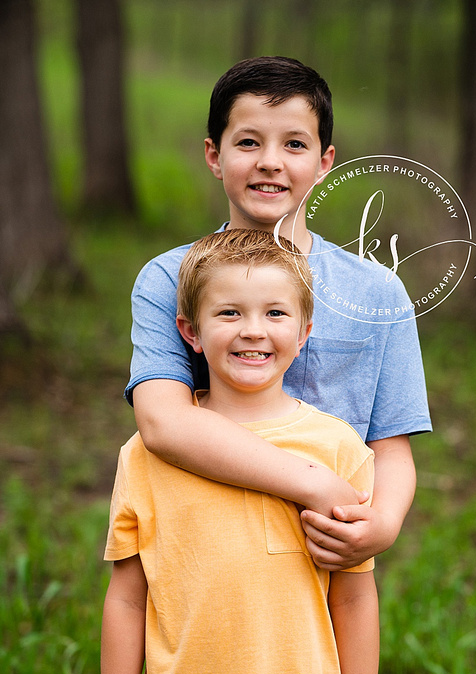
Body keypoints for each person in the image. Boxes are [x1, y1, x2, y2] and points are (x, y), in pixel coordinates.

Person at [101, 229, 378, 674]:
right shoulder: (144, 457)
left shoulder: (337, 450)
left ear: (303, 335)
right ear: (190, 332)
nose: (254, 329)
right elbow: (126, 601)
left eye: (275, 313)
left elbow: (353, 600)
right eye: (229, 312)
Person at [127, 56, 430, 574]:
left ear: (325, 160)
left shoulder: (377, 291)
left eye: (294, 144)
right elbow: (162, 422)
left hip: (328, 554)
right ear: (214, 155)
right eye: (248, 142)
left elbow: (391, 443)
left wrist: (383, 522)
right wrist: (313, 481)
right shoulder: (169, 278)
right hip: (209, 552)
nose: (270, 161)